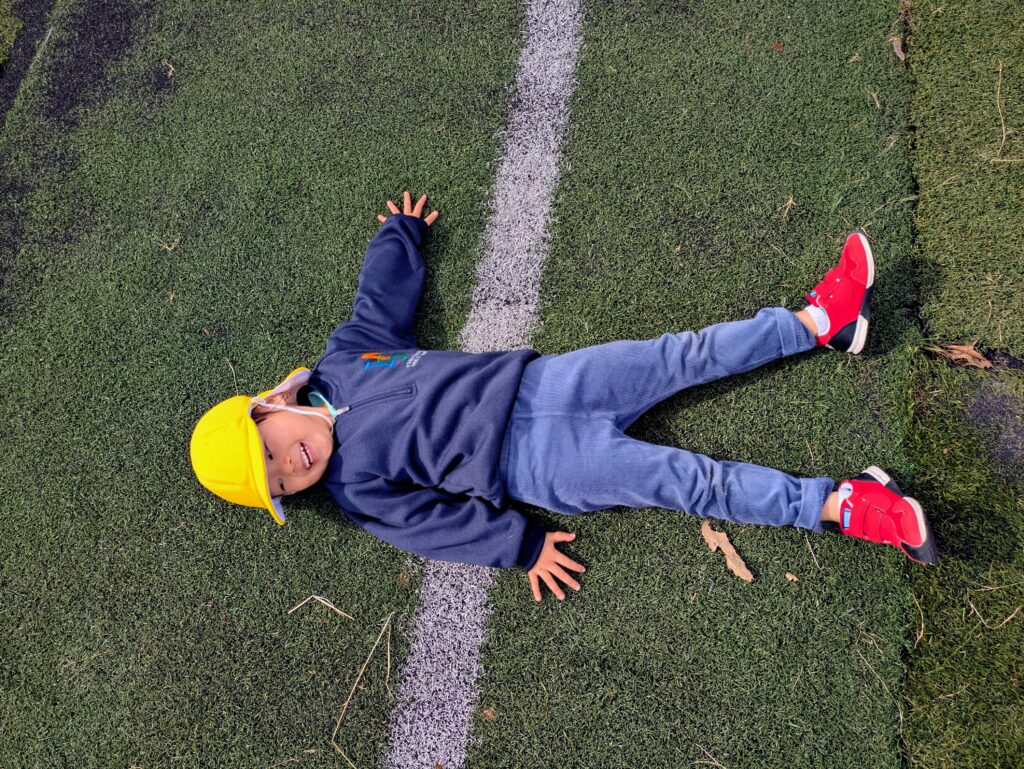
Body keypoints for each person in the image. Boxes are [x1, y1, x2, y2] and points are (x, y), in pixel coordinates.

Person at [190, 190, 937, 603]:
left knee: (683, 354)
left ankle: (820, 324)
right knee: (690, 482)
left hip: (546, 381)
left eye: (270, 451)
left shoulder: (343, 361)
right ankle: (840, 507)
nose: (291, 467)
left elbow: (377, 304)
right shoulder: (354, 490)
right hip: (545, 466)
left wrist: (399, 235)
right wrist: (519, 547)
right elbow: (430, 526)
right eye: (280, 485)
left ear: (269, 405)